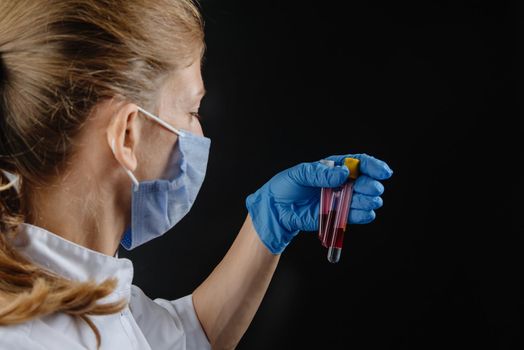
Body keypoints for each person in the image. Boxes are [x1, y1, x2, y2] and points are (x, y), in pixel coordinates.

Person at [0, 0, 393, 349]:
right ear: (127, 133)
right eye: (192, 110)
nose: (199, 134)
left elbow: (177, 340)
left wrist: (266, 224)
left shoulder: (65, 285)